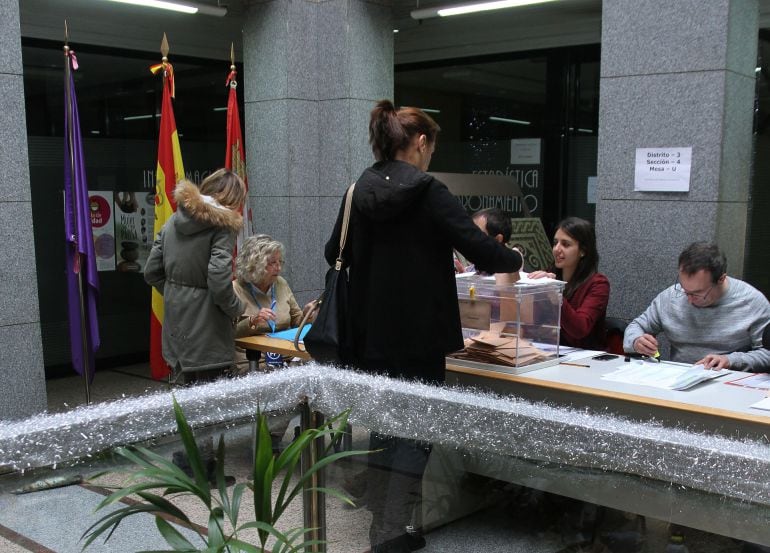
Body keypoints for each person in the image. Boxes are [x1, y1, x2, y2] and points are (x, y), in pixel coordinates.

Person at [324, 100, 523, 553]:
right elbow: (481, 249)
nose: (430, 156)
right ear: (419, 142)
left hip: (370, 336)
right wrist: (517, 260)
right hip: (420, 337)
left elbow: (332, 250)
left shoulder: (357, 189)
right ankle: (391, 534)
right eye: (430, 147)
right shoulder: (428, 191)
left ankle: (384, 528)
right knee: (416, 431)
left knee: (384, 428)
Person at [144, 168, 247, 381]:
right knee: (211, 405)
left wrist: (177, 292)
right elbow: (219, 279)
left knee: (187, 403)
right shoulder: (224, 226)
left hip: (176, 326)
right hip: (209, 331)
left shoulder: (173, 219)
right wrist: (237, 307)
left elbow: (151, 271)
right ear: (234, 198)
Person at [623, 241, 770, 371]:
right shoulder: (671, 297)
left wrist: (731, 360)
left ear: (721, 279)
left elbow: (767, 353)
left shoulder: (751, 302)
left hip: (728, 380)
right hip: (679, 377)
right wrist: (636, 341)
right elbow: (636, 326)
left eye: (697, 293)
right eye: (684, 290)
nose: (689, 300)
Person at [529, 217, 609, 350]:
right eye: (555, 243)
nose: (556, 249)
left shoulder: (598, 284)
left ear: (583, 251)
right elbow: (531, 324)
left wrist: (557, 295)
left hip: (586, 359)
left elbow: (580, 329)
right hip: (547, 352)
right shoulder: (548, 276)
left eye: (565, 244)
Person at [233, 235, 313, 367]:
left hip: (287, 356)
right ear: (253, 264)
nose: (278, 268)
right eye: (272, 263)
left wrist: (307, 315)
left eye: (280, 262)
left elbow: (296, 322)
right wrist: (252, 321)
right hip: (254, 361)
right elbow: (227, 334)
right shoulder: (235, 289)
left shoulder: (280, 283)